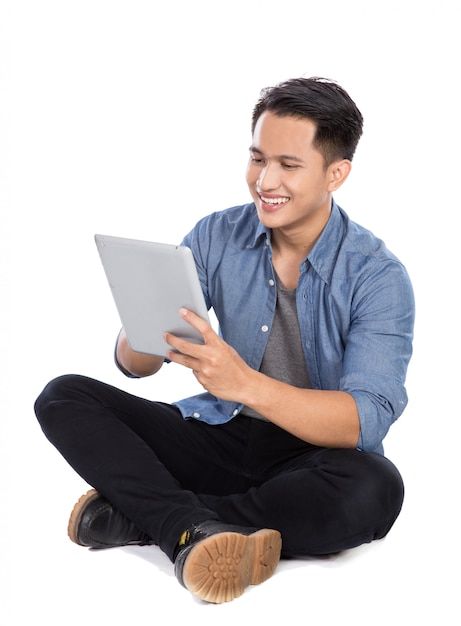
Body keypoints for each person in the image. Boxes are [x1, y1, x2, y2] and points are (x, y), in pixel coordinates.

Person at [34, 76, 415, 604]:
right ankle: (197, 526)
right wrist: (144, 328)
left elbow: (364, 419)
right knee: (63, 395)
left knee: (376, 490)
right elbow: (137, 365)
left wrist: (245, 384)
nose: (265, 180)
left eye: (288, 164)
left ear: (336, 173)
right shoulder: (217, 235)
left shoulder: (377, 276)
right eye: (258, 158)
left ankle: (164, 519)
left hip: (311, 457)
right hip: (219, 434)